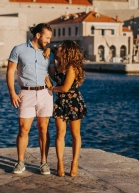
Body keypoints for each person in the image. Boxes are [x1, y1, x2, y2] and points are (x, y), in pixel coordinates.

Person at [6, 23, 56, 175]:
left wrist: (51, 50)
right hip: (25, 93)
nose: (49, 40)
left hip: (45, 93)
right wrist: (12, 93)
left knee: (43, 129)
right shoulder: (18, 50)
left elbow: (54, 73)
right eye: (47, 37)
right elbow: (10, 71)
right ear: (38, 35)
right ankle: (20, 162)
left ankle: (44, 163)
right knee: (23, 129)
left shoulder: (49, 53)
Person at [45, 40, 87, 177]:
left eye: (60, 47)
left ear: (67, 51)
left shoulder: (72, 67)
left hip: (73, 102)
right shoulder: (58, 65)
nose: (58, 48)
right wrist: (50, 51)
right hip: (60, 102)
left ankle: (74, 163)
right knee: (59, 133)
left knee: (75, 135)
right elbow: (50, 73)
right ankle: (60, 163)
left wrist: (51, 87)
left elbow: (65, 88)